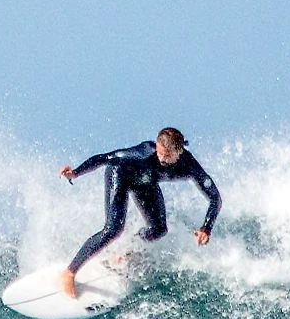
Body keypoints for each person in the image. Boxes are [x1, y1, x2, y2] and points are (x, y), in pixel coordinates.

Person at [56, 127, 220, 297]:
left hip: (145, 183)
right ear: (156, 145)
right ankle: (70, 272)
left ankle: (124, 252)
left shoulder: (190, 166)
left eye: (168, 155)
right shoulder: (144, 152)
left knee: (159, 230)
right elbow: (106, 158)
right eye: (160, 153)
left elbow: (215, 198)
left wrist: (206, 228)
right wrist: (75, 172)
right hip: (119, 175)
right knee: (113, 229)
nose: (162, 159)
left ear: (179, 151)